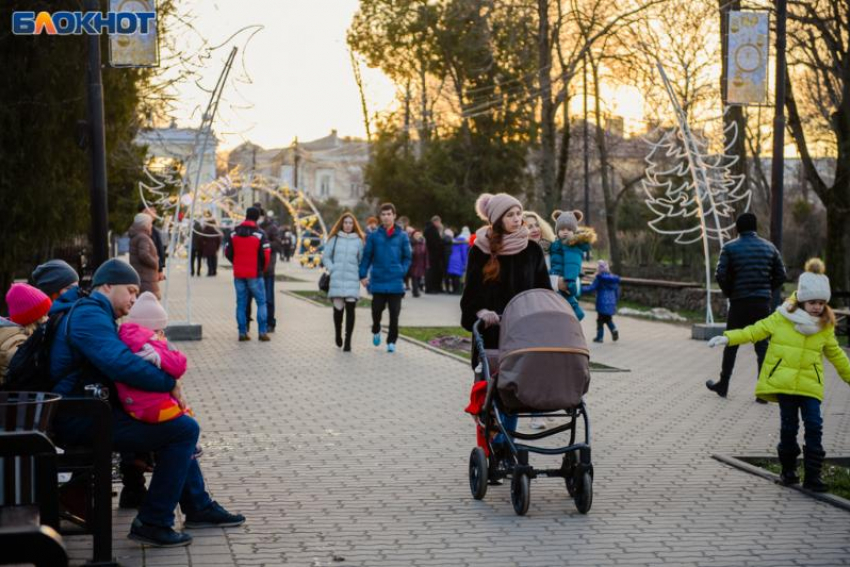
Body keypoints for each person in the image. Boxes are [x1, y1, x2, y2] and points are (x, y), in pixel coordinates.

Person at [48, 259, 244, 547]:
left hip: (89, 410)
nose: (133, 300)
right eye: (130, 291)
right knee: (183, 430)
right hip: (80, 418)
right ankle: (154, 520)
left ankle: (197, 505)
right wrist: (169, 383)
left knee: (178, 425)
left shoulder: (93, 313)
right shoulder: (89, 316)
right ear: (107, 286)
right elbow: (121, 364)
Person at [708, 259, 850, 492]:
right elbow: (755, 330)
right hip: (784, 385)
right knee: (789, 428)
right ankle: (789, 471)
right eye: (813, 302)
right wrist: (728, 337)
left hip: (810, 385)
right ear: (802, 299)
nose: (817, 307)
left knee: (815, 426)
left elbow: (837, 356)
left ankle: (813, 476)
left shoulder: (825, 327)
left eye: (822, 303)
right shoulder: (781, 318)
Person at [461, 193, 552, 445]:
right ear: (498, 219)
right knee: (493, 394)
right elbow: (469, 298)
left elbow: (544, 291)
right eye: (510, 215)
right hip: (492, 334)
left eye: (518, 213)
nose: (516, 218)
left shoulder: (531, 249)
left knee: (513, 393)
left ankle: (505, 445)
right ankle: (493, 447)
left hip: (523, 332)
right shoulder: (480, 250)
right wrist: (480, 312)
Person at [706, 212, 787, 399]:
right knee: (762, 346)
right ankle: (762, 391)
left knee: (731, 342)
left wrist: (730, 292)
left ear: (737, 228)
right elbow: (781, 275)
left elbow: (720, 274)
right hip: (761, 303)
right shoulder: (770, 248)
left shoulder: (729, 248)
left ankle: (723, 385)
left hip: (739, 302)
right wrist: (767, 290)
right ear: (755, 228)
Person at [359, 203, 412, 353]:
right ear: (380, 217)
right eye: (384, 214)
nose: (386, 217)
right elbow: (367, 256)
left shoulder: (402, 236)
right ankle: (376, 329)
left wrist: (402, 270)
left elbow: (407, 257)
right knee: (376, 311)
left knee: (394, 314)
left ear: (394, 216)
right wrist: (362, 275)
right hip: (378, 280)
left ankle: (391, 341)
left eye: (389, 214)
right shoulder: (374, 236)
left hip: (395, 281)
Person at [224, 207, 271, 342]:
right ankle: (262, 332)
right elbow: (266, 254)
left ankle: (242, 333)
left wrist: (236, 262)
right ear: (257, 218)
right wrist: (263, 268)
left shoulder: (234, 233)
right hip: (255, 273)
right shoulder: (260, 234)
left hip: (239, 273)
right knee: (261, 302)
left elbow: (227, 251)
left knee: (241, 304)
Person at [323, 212, 365, 352]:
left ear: (354, 225)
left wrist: (360, 273)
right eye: (345, 222)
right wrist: (332, 268)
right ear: (342, 224)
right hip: (337, 279)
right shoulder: (334, 239)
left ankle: (348, 341)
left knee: (351, 310)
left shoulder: (359, 241)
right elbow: (326, 257)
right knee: (338, 311)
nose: (348, 225)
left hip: (352, 280)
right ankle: (338, 333)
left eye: (350, 223)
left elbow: (362, 260)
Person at [549, 210, 596, 321]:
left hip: (564, 277)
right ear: (557, 231)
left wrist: (570, 280)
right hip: (555, 274)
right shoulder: (556, 244)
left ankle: (576, 316)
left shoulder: (571, 246)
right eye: (562, 229)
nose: (565, 232)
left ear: (574, 231)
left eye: (569, 229)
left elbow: (572, 263)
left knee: (566, 300)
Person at [0, 283, 52, 382]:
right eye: (45, 314)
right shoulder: (16, 341)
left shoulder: (16, 334)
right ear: (35, 319)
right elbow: (26, 373)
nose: (48, 318)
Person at [583, 260, 621, 343]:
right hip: (611, 302)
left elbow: (591, 288)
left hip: (602, 302)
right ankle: (614, 330)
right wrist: (615, 301)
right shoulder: (613, 279)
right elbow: (617, 292)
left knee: (600, 320)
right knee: (608, 318)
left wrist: (580, 289)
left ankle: (599, 337)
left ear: (599, 269)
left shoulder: (599, 278)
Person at [129, 213, 162, 299]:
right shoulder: (143, 237)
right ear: (145, 225)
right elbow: (144, 255)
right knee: (150, 302)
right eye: (150, 224)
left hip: (142, 276)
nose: (151, 226)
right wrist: (156, 263)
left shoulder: (137, 236)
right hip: (146, 278)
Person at [259, 210, 282, 332]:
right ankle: (246, 324)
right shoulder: (252, 227)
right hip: (254, 269)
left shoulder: (272, 228)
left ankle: (270, 322)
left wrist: (264, 244)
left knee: (268, 298)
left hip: (268, 269)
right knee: (248, 299)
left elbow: (278, 245)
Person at [139, 203, 167, 280]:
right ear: (144, 212)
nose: (155, 211)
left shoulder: (152, 229)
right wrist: (158, 267)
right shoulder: (144, 230)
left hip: (152, 271)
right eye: (152, 209)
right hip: (148, 273)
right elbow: (146, 254)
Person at [424, 217, 445, 293]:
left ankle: (434, 287)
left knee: (433, 271)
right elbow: (436, 242)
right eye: (439, 222)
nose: (440, 224)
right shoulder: (432, 229)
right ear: (436, 221)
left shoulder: (429, 229)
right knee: (432, 271)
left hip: (431, 253)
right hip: (433, 254)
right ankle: (430, 288)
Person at [447, 228, 470, 295]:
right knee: (457, 276)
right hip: (459, 260)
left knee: (453, 275)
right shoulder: (463, 242)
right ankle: (457, 291)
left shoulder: (455, 240)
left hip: (452, 259)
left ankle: (453, 290)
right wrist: (464, 262)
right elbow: (463, 253)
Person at [409, 229, 429, 298]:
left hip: (421, 262)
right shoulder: (411, 243)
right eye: (416, 235)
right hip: (413, 262)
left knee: (419, 277)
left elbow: (426, 254)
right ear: (413, 236)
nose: (418, 236)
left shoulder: (423, 243)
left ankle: (416, 290)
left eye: (419, 234)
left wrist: (427, 264)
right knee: (414, 277)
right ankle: (415, 291)